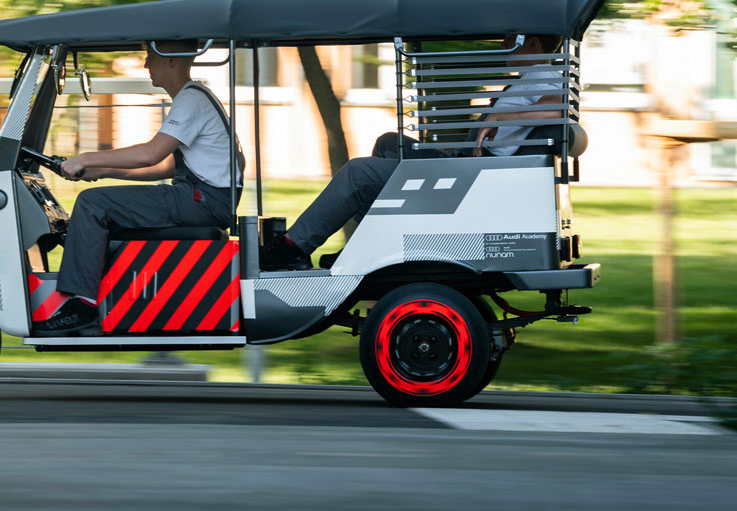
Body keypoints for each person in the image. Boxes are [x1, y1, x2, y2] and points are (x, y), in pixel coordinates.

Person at [258, 33, 565, 271]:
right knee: (389, 143)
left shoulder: (544, 75)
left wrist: (500, 117)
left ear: (531, 42)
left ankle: (291, 249)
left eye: (510, 39)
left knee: (358, 172)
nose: (503, 44)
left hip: (479, 179)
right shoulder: (531, 79)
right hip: (475, 169)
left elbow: (554, 108)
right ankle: (372, 242)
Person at [36, 40, 243, 333]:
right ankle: (102, 290)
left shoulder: (191, 100)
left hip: (202, 200)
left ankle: (82, 304)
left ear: (171, 59)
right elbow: (165, 166)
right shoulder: (196, 97)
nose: (146, 64)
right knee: (99, 201)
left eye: (150, 56)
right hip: (204, 198)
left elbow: (150, 154)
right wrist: (102, 170)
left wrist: (87, 157)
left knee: (92, 204)